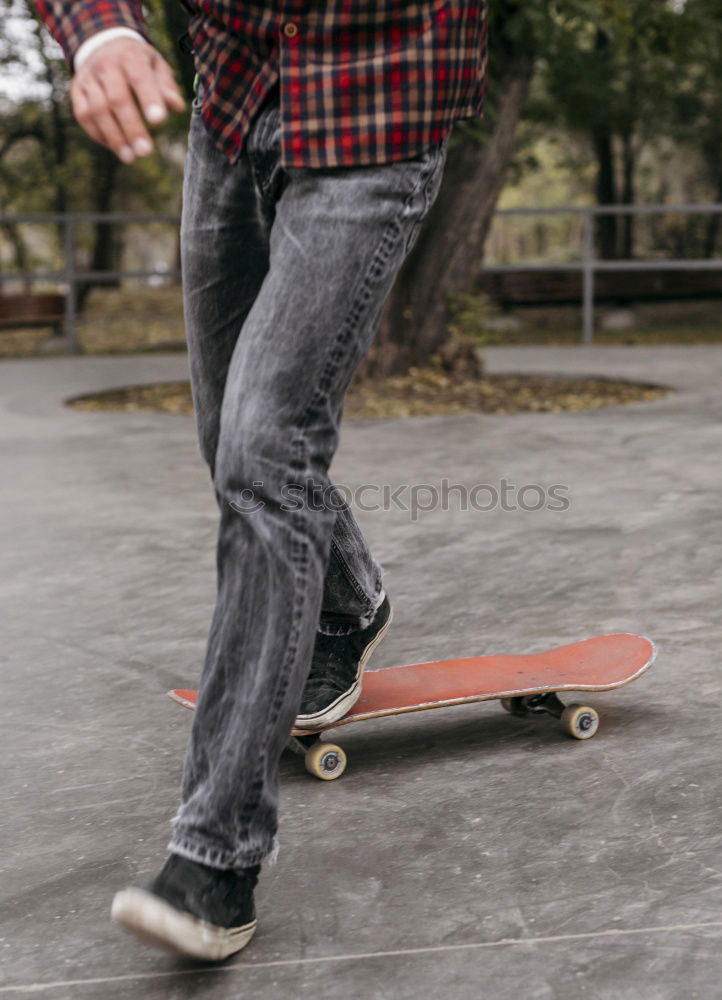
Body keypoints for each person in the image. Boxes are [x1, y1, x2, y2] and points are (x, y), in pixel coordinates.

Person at [35, 0, 488, 962]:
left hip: (381, 102)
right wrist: (101, 30)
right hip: (233, 94)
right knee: (227, 437)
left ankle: (215, 859)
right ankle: (348, 600)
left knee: (265, 449)